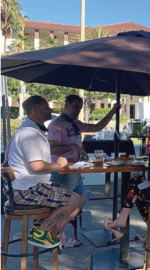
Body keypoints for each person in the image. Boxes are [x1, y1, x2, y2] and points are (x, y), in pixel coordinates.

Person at [7, 96, 80, 248]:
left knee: (70, 192)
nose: (51, 110)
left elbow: (8, 152)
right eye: (47, 108)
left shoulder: (25, 129)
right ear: (35, 110)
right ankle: (41, 232)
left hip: (22, 189)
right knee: (75, 200)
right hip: (27, 192)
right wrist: (58, 164)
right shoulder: (29, 134)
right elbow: (37, 166)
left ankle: (42, 228)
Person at [48, 94, 120, 248]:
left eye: (79, 107)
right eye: (74, 106)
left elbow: (99, 126)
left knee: (81, 200)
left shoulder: (75, 123)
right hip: (62, 170)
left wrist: (113, 110)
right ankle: (55, 234)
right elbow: (51, 148)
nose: (77, 110)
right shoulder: (57, 124)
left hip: (75, 169)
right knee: (64, 204)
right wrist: (72, 147)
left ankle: (58, 230)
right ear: (66, 105)